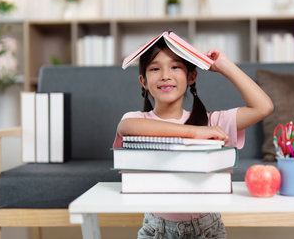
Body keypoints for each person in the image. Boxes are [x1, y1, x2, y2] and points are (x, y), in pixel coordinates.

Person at [114, 33, 274, 239]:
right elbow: (126, 126)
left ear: (191, 76)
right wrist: (196, 133)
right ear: (143, 81)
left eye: (175, 67)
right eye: (155, 69)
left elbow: (263, 107)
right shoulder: (138, 119)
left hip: (206, 229)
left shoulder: (212, 122)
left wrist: (225, 66)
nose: (165, 75)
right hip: (157, 230)